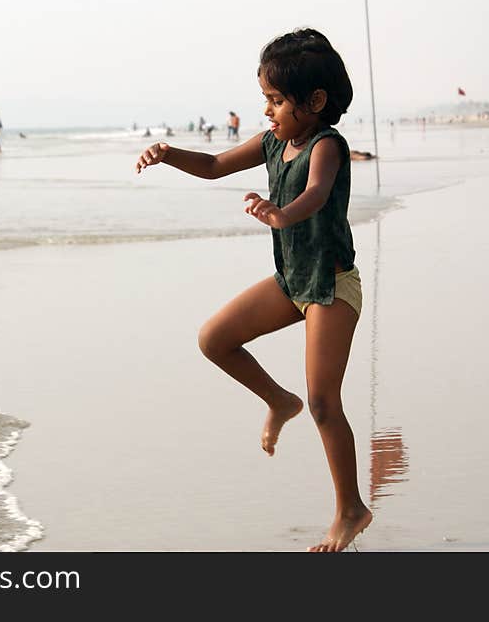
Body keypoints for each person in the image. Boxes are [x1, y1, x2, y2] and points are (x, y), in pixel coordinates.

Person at [135, 28, 371, 552]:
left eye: (276, 100)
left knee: (325, 402)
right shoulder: (272, 142)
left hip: (330, 287)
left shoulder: (326, 146)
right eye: (265, 98)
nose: (267, 111)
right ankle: (276, 401)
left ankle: (350, 509)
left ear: (315, 101)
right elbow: (217, 166)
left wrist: (279, 213)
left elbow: (315, 194)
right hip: (293, 282)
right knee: (214, 339)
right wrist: (170, 153)